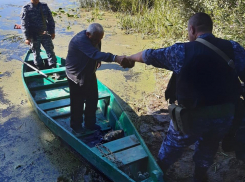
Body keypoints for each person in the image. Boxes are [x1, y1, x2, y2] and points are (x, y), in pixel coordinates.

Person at [121, 12, 245, 181]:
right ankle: (200, 175)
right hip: (224, 116)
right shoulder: (233, 48)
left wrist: (129, 57)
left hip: (191, 118)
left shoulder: (181, 51)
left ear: (192, 29)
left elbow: (148, 55)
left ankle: (160, 171)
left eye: (188, 31)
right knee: (209, 144)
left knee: (172, 145)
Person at [66, 23, 128, 135]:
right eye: (95, 39)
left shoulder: (95, 37)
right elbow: (94, 53)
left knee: (93, 99)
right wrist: (115, 58)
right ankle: (76, 126)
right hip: (76, 75)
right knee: (77, 103)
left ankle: (90, 124)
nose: (97, 41)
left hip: (89, 73)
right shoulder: (81, 40)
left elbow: (96, 50)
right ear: (88, 34)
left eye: (99, 39)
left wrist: (98, 60)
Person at [20, 0, 59, 78]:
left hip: (45, 33)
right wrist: (26, 38)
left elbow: (50, 19)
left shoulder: (44, 6)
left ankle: (53, 69)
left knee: (50, 51)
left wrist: (52, 32)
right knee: (36, 53)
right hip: (34, 35)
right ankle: (40, 68)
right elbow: (24, 24)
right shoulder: (26, 8)